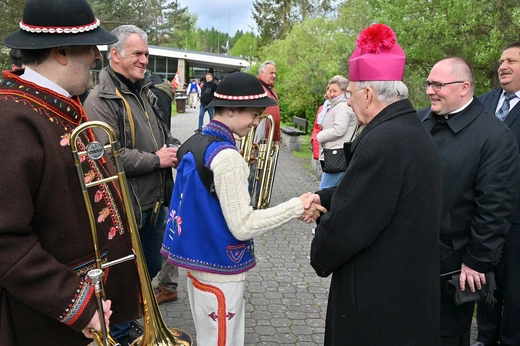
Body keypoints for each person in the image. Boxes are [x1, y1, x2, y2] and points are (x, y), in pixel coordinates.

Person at [0, 1, 141, 345]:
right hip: (47, 322)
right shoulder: (13, 119)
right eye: (90, 47)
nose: (96, 56)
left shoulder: (58, 104)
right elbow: (6, 238)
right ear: (62, 51)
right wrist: (75, 304)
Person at [161, 72, 325, 345]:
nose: (257, 122)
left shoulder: (195, 141)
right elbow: (243, 226)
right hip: (221, 267)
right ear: (231, 109)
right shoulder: (226, 157)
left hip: (196, 260)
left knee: (208, 338)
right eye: (254, 114)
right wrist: (298, 205)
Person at [306, 23, 443, 345]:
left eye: (351, 95)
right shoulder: (408, 129)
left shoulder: (384, 139)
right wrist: (324, 196)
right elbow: (373, 190)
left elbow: (353, 222)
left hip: (378, 294)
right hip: (404, 285)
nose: (350, 104)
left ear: (367, 93)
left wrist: (320, 253)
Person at [83, 24, 179, 343]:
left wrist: (183, 149)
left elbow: (163, 137)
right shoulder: (100, 99)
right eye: (138, 53)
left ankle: (131, 323)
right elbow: (108, 156)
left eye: (147, 54)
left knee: (148, 267)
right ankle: (121, 334)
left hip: (152, 205)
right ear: (115, 55)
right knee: (123, 281)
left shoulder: (144, 91)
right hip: (126, 209)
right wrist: (157, 159)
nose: (145, 60)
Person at [422, 57, 520, 346]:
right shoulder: (419, 120)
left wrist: (476, 261)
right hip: (414, 255)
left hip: (454, 265)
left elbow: (496, 205)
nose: (429, 90)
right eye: (428, 83)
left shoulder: (495, 136)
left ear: (464, 87)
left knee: (447, 334)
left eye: (437, 84)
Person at [471, 41, 520, 346]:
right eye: (501, 61)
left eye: (512, 61)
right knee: (484, 282)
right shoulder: (484, 103)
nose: (503, 66)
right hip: (480, 213)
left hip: (516, 220)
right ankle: (485, 338)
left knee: (514, 291)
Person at [315, 75, 357, 189]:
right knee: (335, 190)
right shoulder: (339, 105)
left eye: (335, 91)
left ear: (344, 91)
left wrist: (320, 136)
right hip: (338, 153)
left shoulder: (342, 107)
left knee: (325, 189)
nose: (331, 94)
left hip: (337, 155)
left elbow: (339, 129)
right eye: (330, 90)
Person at [256, 60, 281, 145]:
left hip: (269, 138)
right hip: (257, 138)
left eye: (275, 73)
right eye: (271, 73)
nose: (274, 76)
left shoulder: (272, 90)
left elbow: (276, 116)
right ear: (262, 72)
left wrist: (277, 138)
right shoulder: (255, 87)